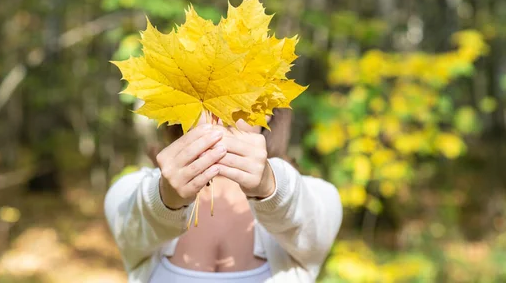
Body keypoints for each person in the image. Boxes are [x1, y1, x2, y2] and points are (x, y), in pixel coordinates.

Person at [104, 109, 343, 282]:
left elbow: (307, 217)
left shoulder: (320, 198)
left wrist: (270, 186)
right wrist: (165, 198)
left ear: (269, 108)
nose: (221, 113)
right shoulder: (127, 193)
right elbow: (134, 217)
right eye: (204, 94)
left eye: (239, 92)